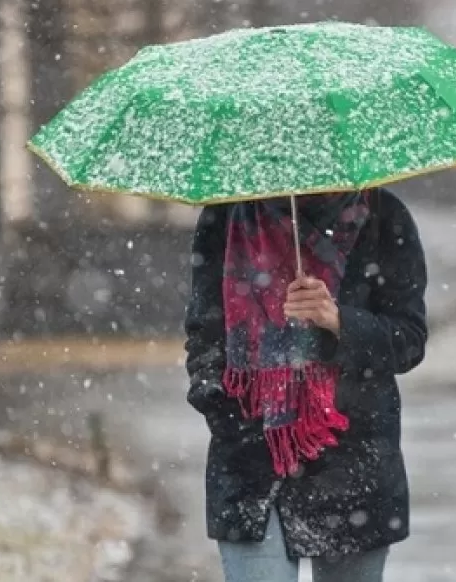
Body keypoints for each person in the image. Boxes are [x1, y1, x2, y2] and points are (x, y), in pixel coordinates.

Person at [183, 188, 428, 582]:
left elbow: (409, 340)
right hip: (251, 461)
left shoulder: (383, 216)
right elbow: (205, 332)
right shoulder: (228, 216)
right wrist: (226, 408)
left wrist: (337, 321)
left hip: (351, 457)